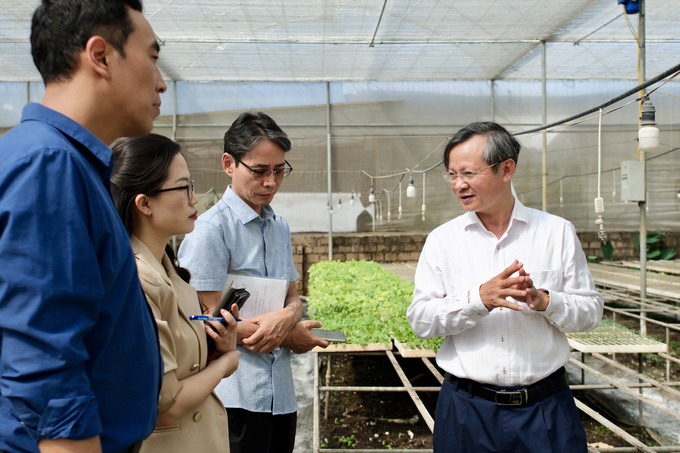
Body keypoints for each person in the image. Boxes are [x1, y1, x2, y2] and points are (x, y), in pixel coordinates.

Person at [0, 1, 167, 453]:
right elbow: (47, 367)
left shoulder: (67, 162)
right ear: (100, 55)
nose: (162, 81)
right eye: (152, 57)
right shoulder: (48, 165)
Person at [407, 122, 604, 453]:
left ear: (506, 169)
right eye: (452, 175)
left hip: (546, 409)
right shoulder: (443, 240)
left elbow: (591, 313)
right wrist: (478, 300)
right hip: (467, 411)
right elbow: (421, 319)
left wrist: (547, 302)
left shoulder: (556, 233)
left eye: (468, 173)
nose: (459, 184)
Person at [178, 111, 329, 453]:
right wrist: (287, 333)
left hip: (281, 397)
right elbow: (208, 320)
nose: (271, 182)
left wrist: (287, 318)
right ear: (229, 163)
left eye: (279, 171)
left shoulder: (279, 227)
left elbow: (294, 299)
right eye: (260, 171)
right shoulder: (211, 231)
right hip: (234, 397)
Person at [110, 134, 241, 453]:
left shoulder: (171, 270)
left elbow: (181, 366)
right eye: (184, 188)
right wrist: (226, 364)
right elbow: (165, 403)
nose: (195, 199)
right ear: (144, 203)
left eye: (192, 186)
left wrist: (217, 349)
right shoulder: (137, 280)